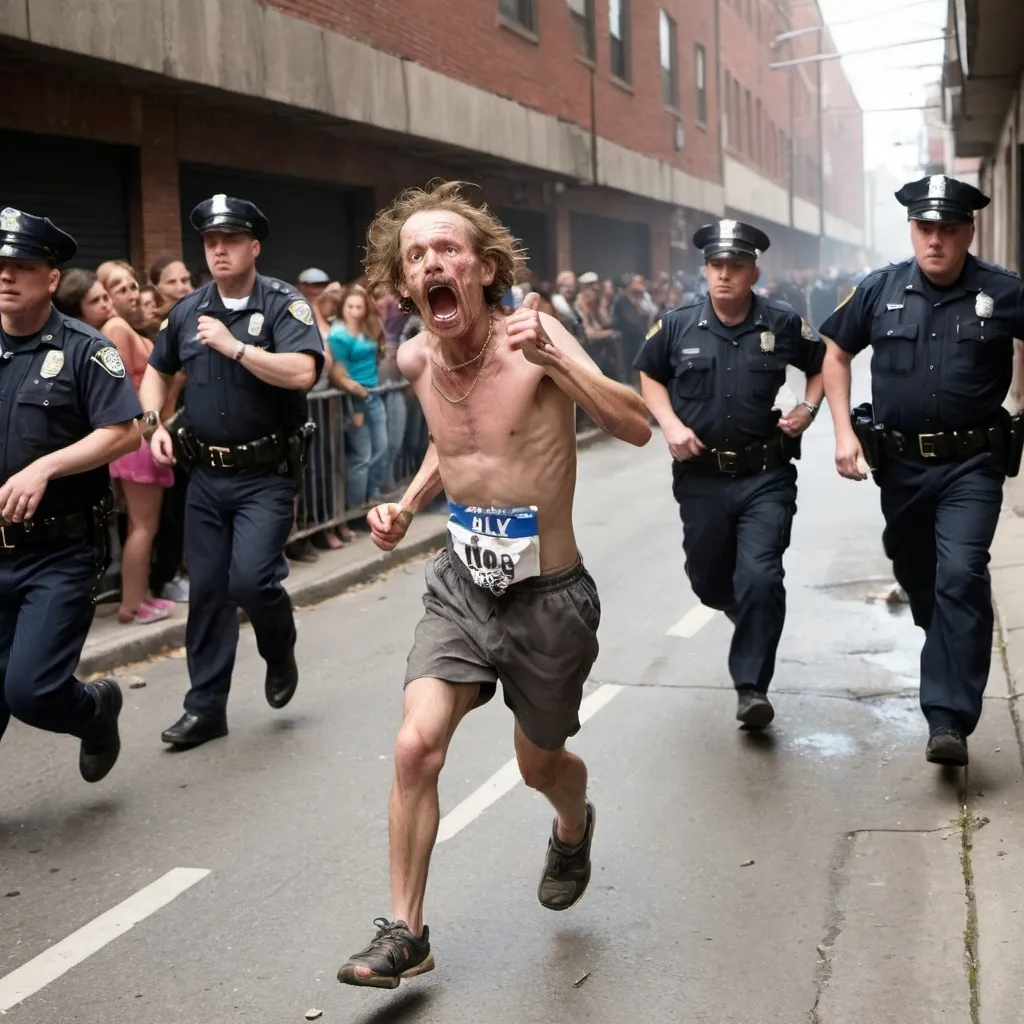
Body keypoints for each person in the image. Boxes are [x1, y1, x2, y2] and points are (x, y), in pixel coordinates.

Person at [336, 180, 651, 989]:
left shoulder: (533, 338)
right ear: (405, 285)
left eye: (448, 249)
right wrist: (406, 505)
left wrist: (560, 363)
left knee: (539, 767)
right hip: (462, 587)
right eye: (416, 256)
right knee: (415, 746)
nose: (432, 262)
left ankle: (573, 827)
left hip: (549, 599)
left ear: (483, 267)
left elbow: (634, 423)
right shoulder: (415, 356)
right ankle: (406, 931)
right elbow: (459, 445)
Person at [819, 175, 1024, 767]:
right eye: (925, 228)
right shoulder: (879, 289)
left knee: (961, 572)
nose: (936, 240)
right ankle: (951, 643)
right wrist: (840, 432)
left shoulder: (1002, 290)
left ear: (969, 230)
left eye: (948, 229)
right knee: (922, 579)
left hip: (973, 465)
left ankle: (947, 718)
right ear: (912, 228)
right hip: (901, 467)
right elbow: (835, 352)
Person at [137, 194, 324, 749]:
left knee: (252, 581)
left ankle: (278, 647)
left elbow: (303, 373)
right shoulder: (188, 310)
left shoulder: (284, 304)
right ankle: (206, 708)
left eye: (231, 240)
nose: (219, 249)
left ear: (254, 246)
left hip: (265, 475)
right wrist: (153, 424)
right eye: (210, 241)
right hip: (205, 475)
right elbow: (155, 371)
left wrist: (237, 347)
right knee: (210, 593)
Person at [635, 221, 824, 729]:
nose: (724, 275)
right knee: (708, 582)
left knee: (761, 576)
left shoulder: (782, 322)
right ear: (705, 270)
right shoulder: (677, 325)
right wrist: (670, 425)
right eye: (716, 266)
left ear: (753, 272)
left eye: (735, 266)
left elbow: (822, 362)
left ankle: (751, 689)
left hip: (766, 474)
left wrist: (808, 407)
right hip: (701, 478)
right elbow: (649, 373)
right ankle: (755, 621)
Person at [0, 207, 141, 781]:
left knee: (31, 691)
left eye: (23, 266)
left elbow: (126, 430)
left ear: (52, 278)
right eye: (0, 265)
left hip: (59, 552)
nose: (7, 275)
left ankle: (96, 710)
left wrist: (44, 469)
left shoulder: (84, 348)